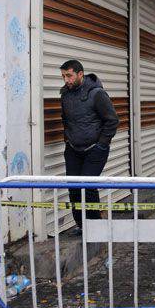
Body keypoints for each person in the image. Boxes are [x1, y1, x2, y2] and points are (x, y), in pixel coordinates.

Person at [59, 60, 119, 235]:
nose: (66, 80)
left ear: (80, 74)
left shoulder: (97, 94)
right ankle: (82, 225)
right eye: (63, 76)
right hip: (73, 149)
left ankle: (95, 228)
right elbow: (66, 120)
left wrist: (102, 144)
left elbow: (112, 120)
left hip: (95, 149)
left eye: (69, 75)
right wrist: (67, 140)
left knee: (88, 185)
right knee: (74, 187)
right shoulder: (65, 94)